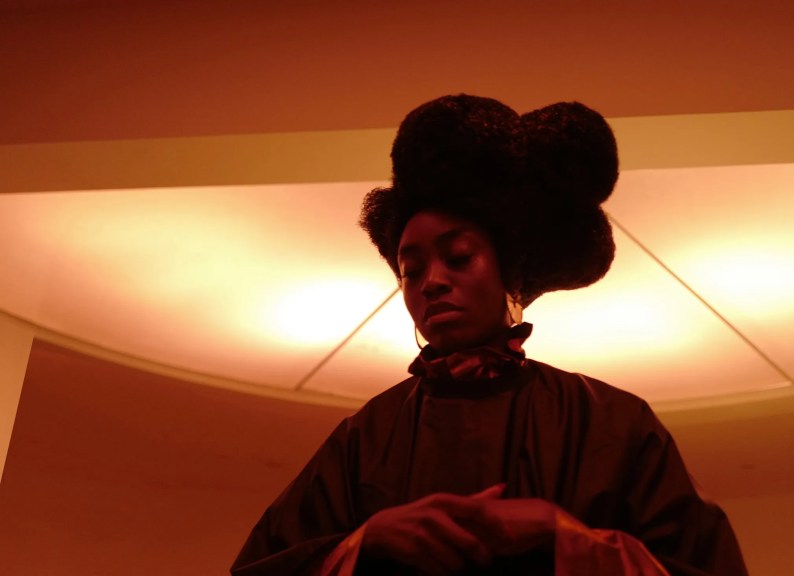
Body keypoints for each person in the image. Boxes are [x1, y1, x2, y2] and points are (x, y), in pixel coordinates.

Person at [231, 95, 748, 576]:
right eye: (411, 269)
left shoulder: (613, 423)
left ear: (510, 269)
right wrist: (368, 541)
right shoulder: (363, 439)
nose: (432, 282)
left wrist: (563, 536)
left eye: (458, 257)